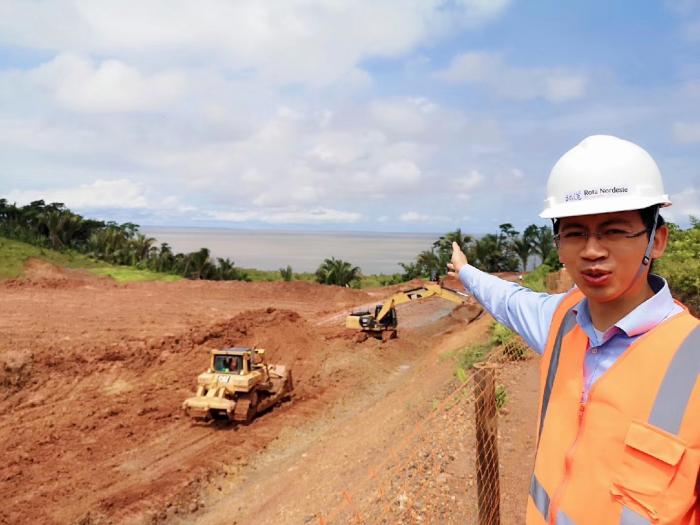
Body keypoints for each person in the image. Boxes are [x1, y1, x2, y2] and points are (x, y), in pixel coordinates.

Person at [447, 135, 698, 524]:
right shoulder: (562, 321)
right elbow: (508, 299)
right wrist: (465, 271)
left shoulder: (692, 360)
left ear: (657, 240)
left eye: (614, 231)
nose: (592, 250)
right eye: (575, 232)